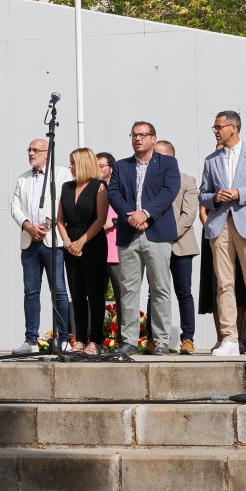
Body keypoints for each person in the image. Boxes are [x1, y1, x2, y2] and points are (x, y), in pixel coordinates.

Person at [200, 111, 246, 356]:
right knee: (224, 284)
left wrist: (239, 193)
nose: (215, 130)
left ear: (233, 127)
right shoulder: (211, 159)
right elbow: (202, 194)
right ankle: (229, 338)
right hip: (219, 224)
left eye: (218, 126)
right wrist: (214, 197)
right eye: (214, 127)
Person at [109, 121, 181, 355]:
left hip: (157, 234)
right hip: (129, 233)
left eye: (143, 135)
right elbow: (114, 193)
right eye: (134, 135)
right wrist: (130, 216)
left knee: (160, 288)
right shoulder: (121, 166)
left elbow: (169, 192)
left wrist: (146, 213)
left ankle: (160, 340)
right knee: (128, 289)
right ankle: (129, 340)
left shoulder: (168, 163)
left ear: (153, 138)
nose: (138, 138)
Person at [10, 138, 73, 355]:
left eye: (35, 150)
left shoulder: (61, 174)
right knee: (31, 292)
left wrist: (46, 224)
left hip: (51, 240)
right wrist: (27, 226)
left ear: (47, 152)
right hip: (29, 242)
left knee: (58, 290)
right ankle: (31, 341)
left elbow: (60, 201)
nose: (31, 153)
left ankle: (64, 339)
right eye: (29, 149)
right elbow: (15, 206)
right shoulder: (23, 178)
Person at [57, 147, 110, 355]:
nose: (70, 166)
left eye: (73, 162)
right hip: (71, 245)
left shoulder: (99, 187)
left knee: (95, 293)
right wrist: (68, 241)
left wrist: (81, 242)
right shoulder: (66, 187)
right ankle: (79, 339)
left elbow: (101, 219)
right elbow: (60, 219)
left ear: (84, 163)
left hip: (93, 243)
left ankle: (96, 341)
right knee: (76, 293)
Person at [161, 140, 201, 355]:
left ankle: (187, 339)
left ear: (170, 158)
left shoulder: (187, 181)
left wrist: (168, 235)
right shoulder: (152, 181)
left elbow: (188, 215)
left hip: (181, 245)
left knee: (183, 293)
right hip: (156, 246)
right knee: (156, 293)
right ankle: (155, 339)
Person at [97, 151, 121, 345]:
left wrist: (111, 221)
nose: (97, 170)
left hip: (115, 249)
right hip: (97, 250)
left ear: (110, 168)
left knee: (122, 296)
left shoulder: (119, 187)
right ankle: (95, 338)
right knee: (97, 297)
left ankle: (123, 338)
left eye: (101, 166)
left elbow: (129, 210)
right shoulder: (93, 188)